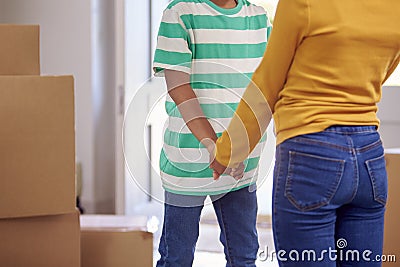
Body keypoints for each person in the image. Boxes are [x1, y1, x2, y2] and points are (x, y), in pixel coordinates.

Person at [211, 0, 400, 266]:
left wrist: (227, 151)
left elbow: (268, 83)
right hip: (369, 158)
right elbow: (378, 74)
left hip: (311, 156)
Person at [152, 0, 272, 266]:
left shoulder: (260, 18)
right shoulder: (181, 13)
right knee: (177, 257)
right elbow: (179, 88)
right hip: (189, 163)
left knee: (243, 254)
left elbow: (269, 88)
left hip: (243, 165)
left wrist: (236, 150)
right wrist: (213, 146)